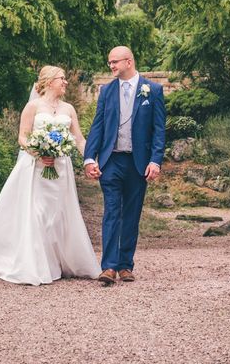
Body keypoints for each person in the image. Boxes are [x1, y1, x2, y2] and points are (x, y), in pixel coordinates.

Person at [0, 66, 101, 285]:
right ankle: (36, 264)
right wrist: (38, 152)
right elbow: (22, 137)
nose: (66, 82)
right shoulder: (33, 106)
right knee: (37, 213)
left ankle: (55, 262)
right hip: (36, 169)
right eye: (62, 79)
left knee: (57, 214)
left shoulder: (69, 109)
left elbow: (79, 139)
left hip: (60, 170)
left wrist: (90, 160)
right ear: (49, 82)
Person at [83, 46, 166, 285]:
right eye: (109, 62)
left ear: (129, 61)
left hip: (138, 163)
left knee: (131, 214)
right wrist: (90, 158)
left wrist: (155, 160)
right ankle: (108, 266)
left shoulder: (154, 90)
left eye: (114, 62)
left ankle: (125, 265)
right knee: (111, 212)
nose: (111, 66)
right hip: (111, 161)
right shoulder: (107, 91)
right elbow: (97, 126)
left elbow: (159, 130)